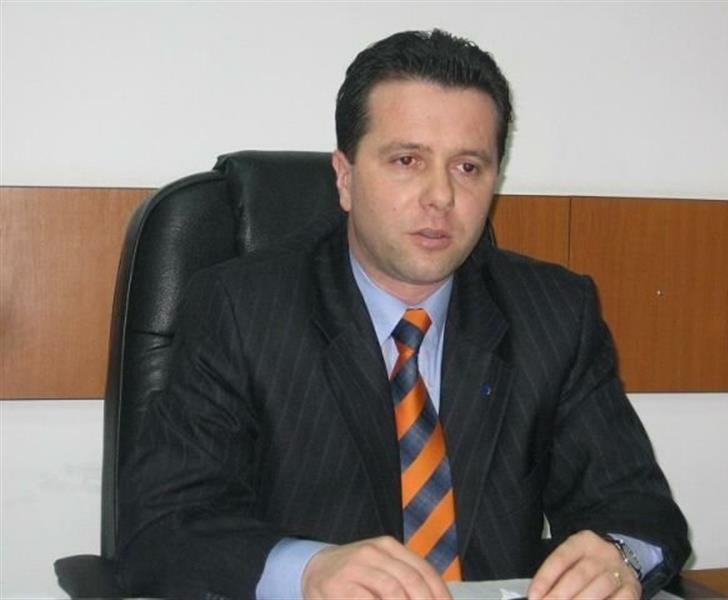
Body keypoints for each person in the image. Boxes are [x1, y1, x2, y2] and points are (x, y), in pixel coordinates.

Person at [118, 29, 690, 600]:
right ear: (344, 178)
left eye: (468, 167)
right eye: (407, 160)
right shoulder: (242, 309)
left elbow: (641, 510)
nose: (440, 196)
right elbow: (164, 527)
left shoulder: (555, 313)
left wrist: (618, 557)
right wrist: (308, 571)